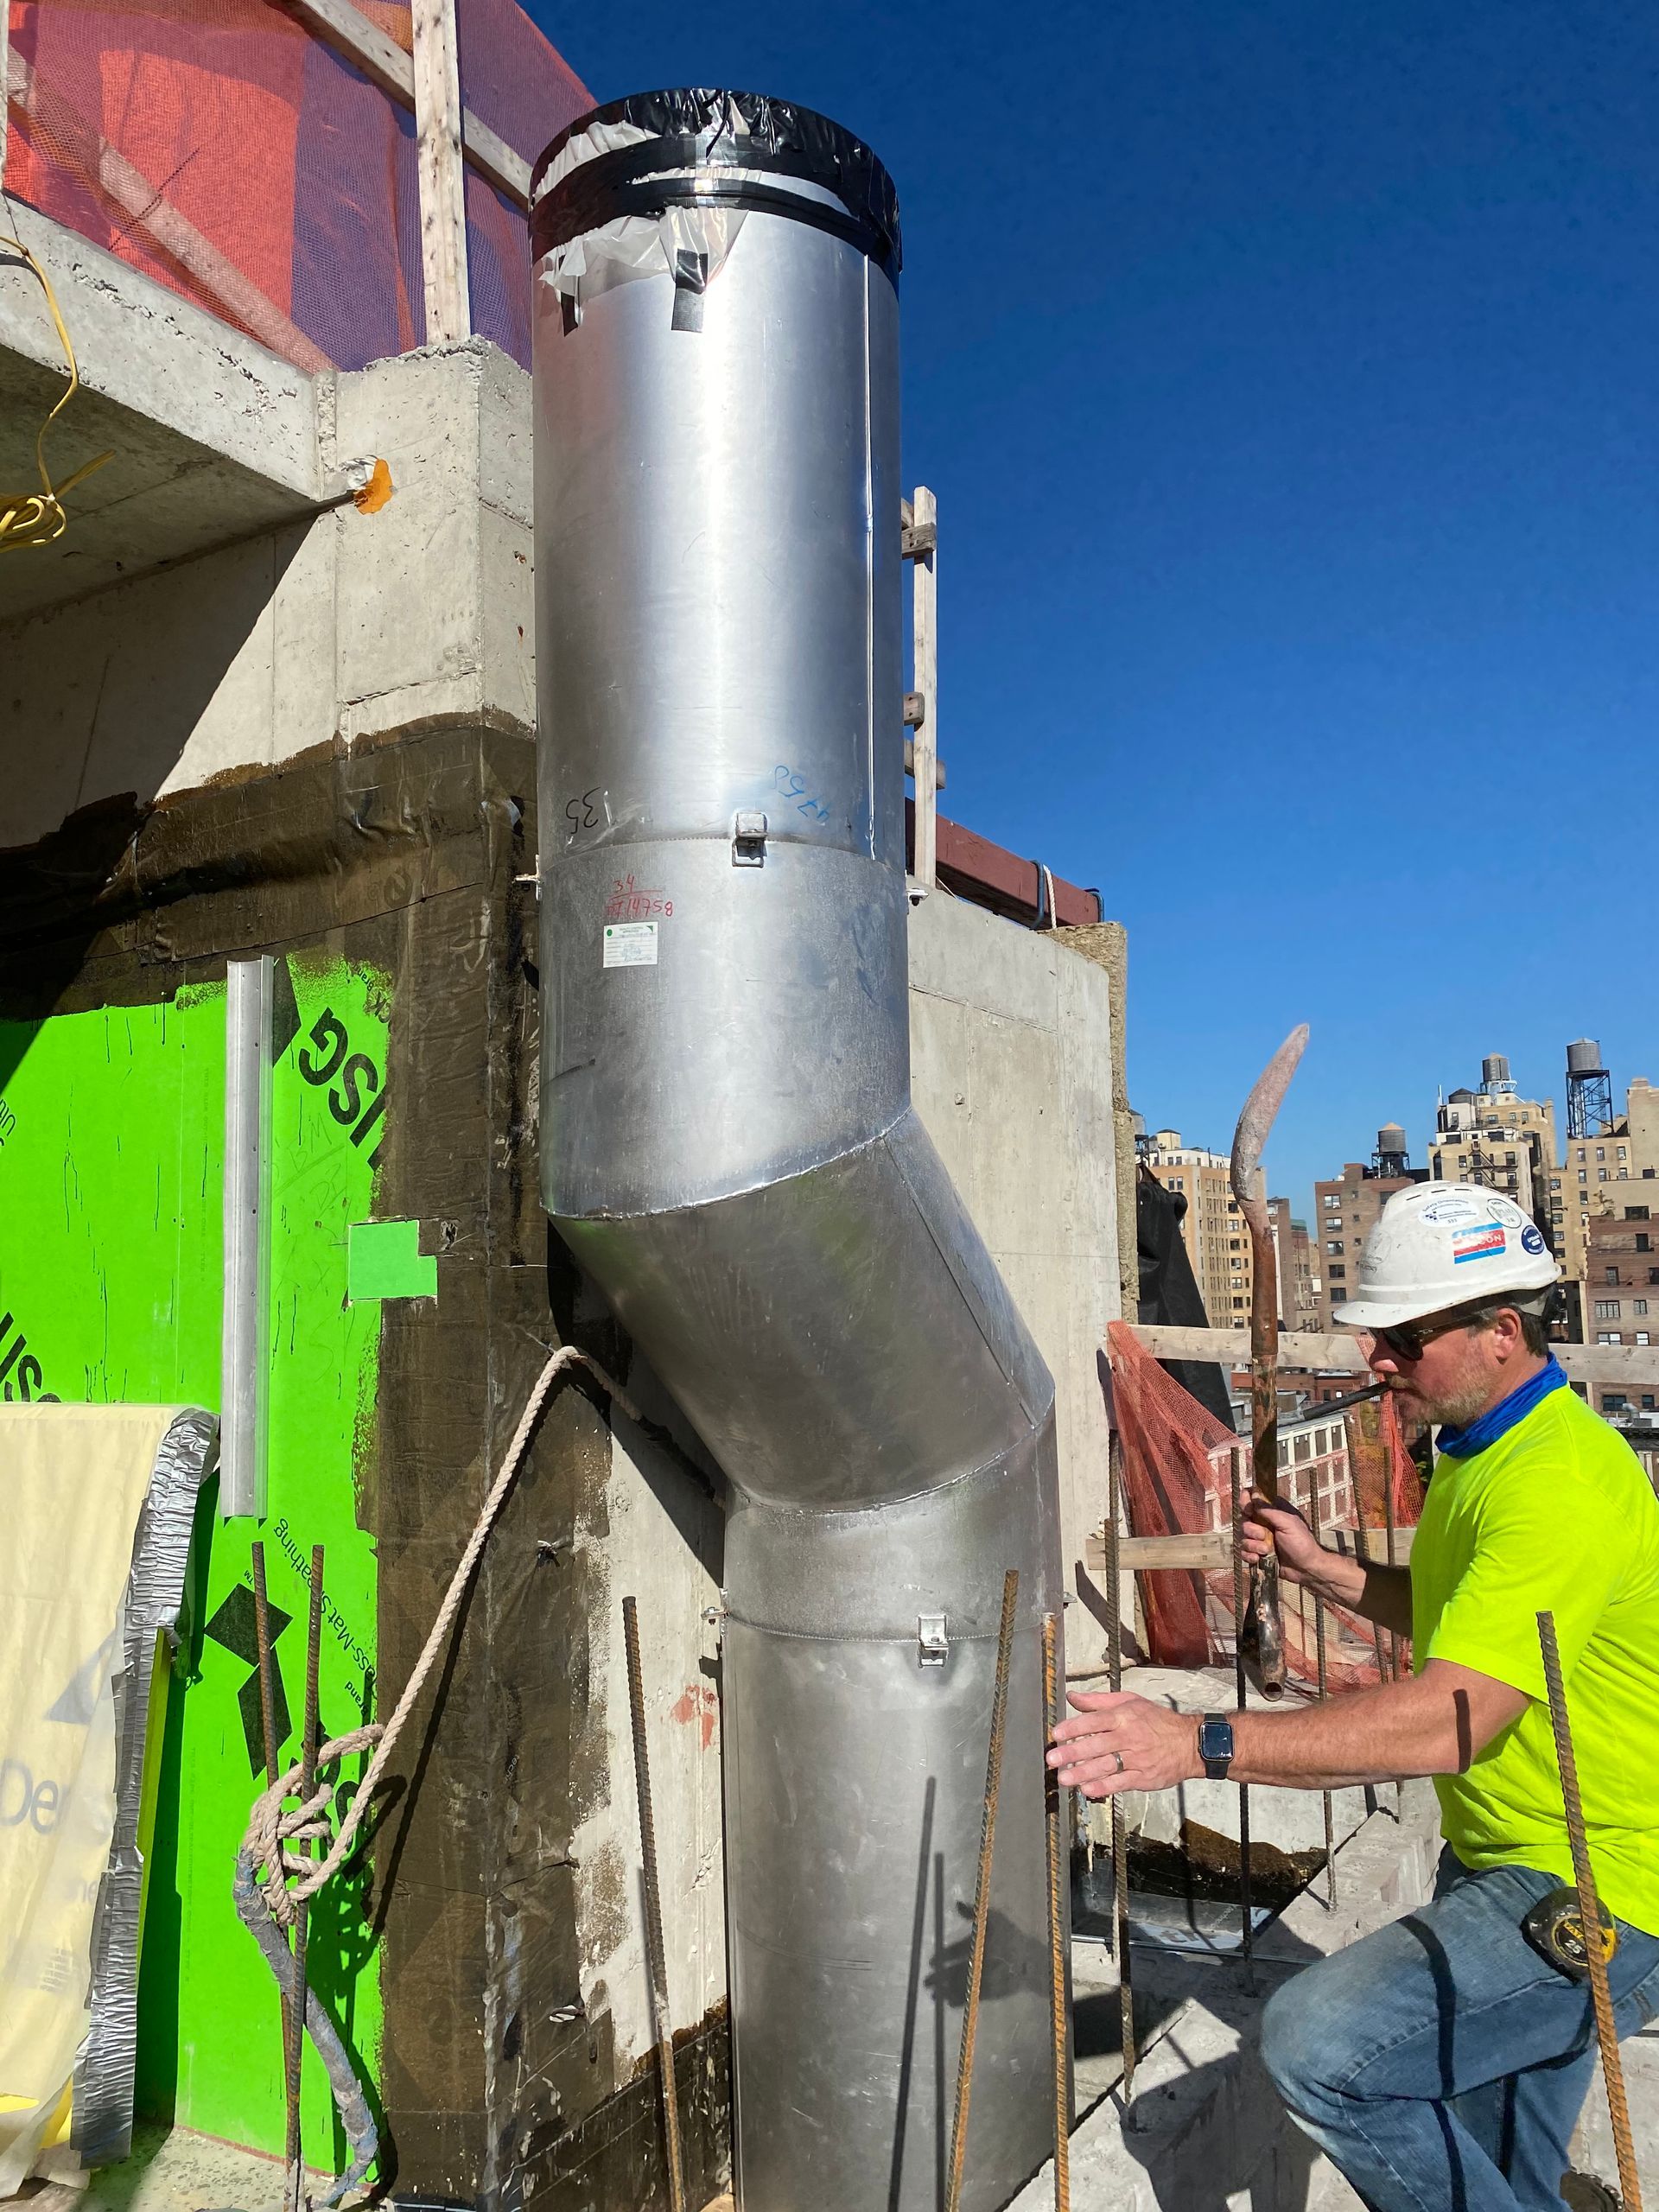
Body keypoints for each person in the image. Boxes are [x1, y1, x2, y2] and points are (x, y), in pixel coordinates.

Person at [1050, 1181, 1659, 2212]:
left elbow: (1453, 1714)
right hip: (1505, 1855)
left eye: (1403, 1337)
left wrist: (1197, 1741)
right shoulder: (1485, 1445)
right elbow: (1469, 1617)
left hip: (1597, 1885)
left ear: (1501, 1331)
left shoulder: (1557, 1483)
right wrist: (1328, 1569)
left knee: (1317, 2045)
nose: (1376, 1360)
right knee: (1500, 2169)